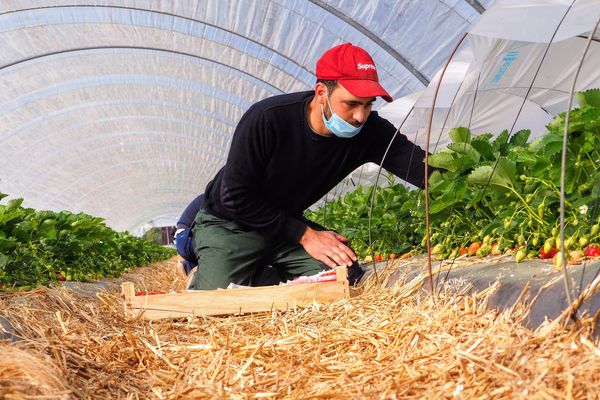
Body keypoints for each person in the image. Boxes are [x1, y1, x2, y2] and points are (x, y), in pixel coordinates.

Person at [190, 43, 431, 290]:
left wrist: (463, 179)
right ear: (321, 93)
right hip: (231, 226)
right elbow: (234, 197)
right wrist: (306, 235)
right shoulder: (268, 119)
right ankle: (217, 272)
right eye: (351, 104)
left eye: (369, 104)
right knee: (217, 300)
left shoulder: (370, 131)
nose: (360, 116)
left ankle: (256, 273)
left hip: (282, 231)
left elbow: (421, 168)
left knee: (342, 277)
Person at [174, 194, 204, 276]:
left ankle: (188, 266)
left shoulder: (209, 194)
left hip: (182, 239)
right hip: (186, 238)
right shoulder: (213, 197)